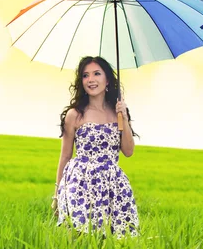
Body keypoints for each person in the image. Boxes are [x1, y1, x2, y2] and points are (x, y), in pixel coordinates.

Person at [51, 55, 140, 238]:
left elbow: (129, 151)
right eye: (85, 75)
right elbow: (65, 156)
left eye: (96, 74)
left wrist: (124, 117)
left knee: (113, 239)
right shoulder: (74, 115)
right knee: (80, 237)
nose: (90, 80)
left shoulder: (118, 113)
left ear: (107, 80)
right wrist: (57, 196)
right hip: (80, 182)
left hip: (111, 184)